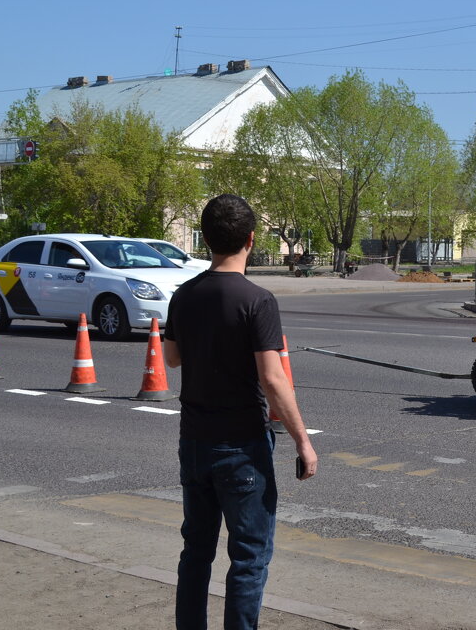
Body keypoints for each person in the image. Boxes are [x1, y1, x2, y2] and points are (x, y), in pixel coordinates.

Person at [164, 194, 318, 630]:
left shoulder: (183, 296)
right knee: (248, 557)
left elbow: (171, 359)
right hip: (242, 448)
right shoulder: (258, 301)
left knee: (196, 551)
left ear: (207, 239)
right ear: (251, 240)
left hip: (194, 442)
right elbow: (272, 379)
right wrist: (303, 441)